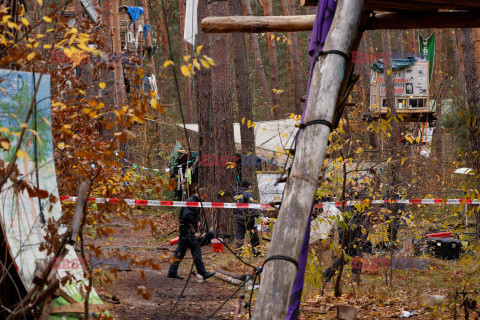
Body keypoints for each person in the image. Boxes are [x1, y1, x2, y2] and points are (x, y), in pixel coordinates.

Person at [167, 187, 215, 280]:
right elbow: (186, 215)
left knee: (180, 252)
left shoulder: (195, 202)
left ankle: (172, 272)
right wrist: (196, 221)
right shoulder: (191, 201)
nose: (205, 200)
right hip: (187, 231)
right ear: (200, 195)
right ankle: (203, 272)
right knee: (196, 250)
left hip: (186, 230)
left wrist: (196, 221)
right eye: (204, 198)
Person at [233, 180, 260, 255]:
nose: (251, 186)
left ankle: (238, 252)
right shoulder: (249, 194)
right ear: (247, 186)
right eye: (250, 185)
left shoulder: (236, 194)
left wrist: (237, 214)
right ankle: (257, 252)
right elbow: (252, 206)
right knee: (254, 235)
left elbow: (234, 209)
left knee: (239, 236)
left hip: (239, 218)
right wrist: (256, 214)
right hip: (249, 218)